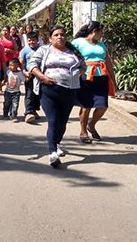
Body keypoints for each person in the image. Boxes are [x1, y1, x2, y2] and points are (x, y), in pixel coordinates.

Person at [28, 26, 86, 167]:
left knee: (62, 122)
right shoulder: (44, 50)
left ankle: (57, 142)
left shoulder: (73, 51)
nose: (60, 37)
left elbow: (83, 65)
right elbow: (32, 65)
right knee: (53, 120)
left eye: (62, 34)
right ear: (50, 38)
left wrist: (78, 73)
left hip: (69, 90)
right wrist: (43, 77)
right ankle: (52, 152)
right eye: (56, 35)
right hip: (49, 89)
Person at [72, 21, 116, 143]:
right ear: (94, 31)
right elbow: (70, 57)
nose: (102, 34)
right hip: (85, 77)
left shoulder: (102, 45)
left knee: (103, 106)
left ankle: (91, 125)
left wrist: (113, 79)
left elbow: (108, 62)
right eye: (101, 31)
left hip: (101, 77)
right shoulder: (78, 42)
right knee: (86, 106)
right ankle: (83, 131)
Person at [19, 31, 42, 123]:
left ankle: (34, 110)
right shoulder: (24, 50)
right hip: (29, 75)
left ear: (37, 40)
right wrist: (24, 72)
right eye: (29, 40)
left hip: (40, 75)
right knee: (29, 94)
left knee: (38, 94)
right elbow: (21, 63)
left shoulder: (41, 50)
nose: (31, 42)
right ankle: (28, 112)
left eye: (33, 40)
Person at [0, 26, 19, 91]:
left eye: (6, 30)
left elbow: (16, 50)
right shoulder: (0, 39)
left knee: (9, 74)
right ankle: (0, 86)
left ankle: (7, 85)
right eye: (3, 30)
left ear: (9, 31)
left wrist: (10, 51)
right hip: (1, 60)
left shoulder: (12, 40)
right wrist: (2, 50)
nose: (5, 32)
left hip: (10, 60)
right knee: (0, 74)